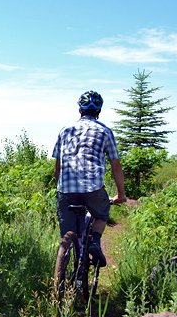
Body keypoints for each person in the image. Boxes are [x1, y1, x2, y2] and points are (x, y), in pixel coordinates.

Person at [52, 90, 127, 267]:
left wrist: (59, 187)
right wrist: (121, 195)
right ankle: (95, 242)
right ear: (99, 111)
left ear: (79, 110)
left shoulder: (65, 130)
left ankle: (65, 268)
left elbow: (58, 166)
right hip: (93, 187)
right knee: (101, 213)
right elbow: (116, 165)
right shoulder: (105, 131)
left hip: (66, 189)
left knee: (67, 234)